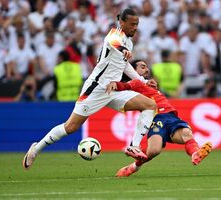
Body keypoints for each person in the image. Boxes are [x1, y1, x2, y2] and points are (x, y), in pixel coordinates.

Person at [22, 8, 157, 170]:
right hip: (96, 89)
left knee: (150, 105)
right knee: (70, 127)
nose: (135, 27)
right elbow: (114, 43)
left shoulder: (129, 41)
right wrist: (123, 50)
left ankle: (134, 146)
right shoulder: (115, 35)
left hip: (113, 89)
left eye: (137, 24)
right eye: (132, 24)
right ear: (122, 22)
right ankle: (35, 149)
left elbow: (124, 65)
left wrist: (142, 81)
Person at [105, 60, 212, 177]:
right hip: (157, 118)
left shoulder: (146, 83)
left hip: (171, 116)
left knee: (187, 133)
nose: (147, 69)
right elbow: (126, 85)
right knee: (153, 151)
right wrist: (116, 84)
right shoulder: (135, 82)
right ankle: (132, 168)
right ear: (132, 71)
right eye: (142, 67)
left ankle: (195, 154)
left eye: (146, 67)